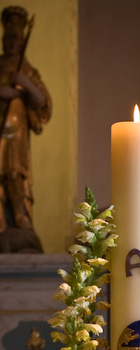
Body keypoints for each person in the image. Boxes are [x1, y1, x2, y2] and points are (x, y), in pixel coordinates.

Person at [0, 6, 51, 250]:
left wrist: (24, 84)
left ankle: (20, 218)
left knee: (15, 175)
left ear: (22, 41)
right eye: (7, 38)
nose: (11, 43)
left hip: (16, 139)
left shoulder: (26, 70)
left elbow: (43, 102)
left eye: (16, 38)